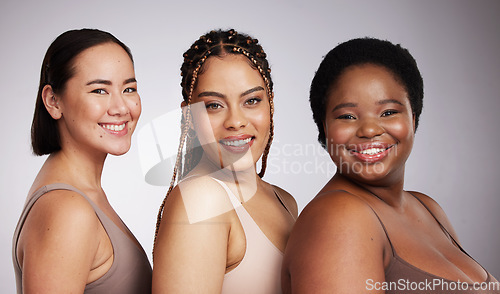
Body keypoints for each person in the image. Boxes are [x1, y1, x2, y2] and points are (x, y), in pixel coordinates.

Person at [282, 38, 500, 293]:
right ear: (325, 127)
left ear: (413, 118)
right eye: (347, 116)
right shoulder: (338, 217)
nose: (370, 130)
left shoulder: (428, 209)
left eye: (388, 112)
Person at [152, 29, 298, 293]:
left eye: (252, 101)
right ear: (190, 115)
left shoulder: (285, 201)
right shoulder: (201, 199)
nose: (236, 122)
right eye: (214, 105)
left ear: (270, 104)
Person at [12, 29, 152, 293]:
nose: (122, 107)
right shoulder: (68, 209)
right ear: (53, 101)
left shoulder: (83, 194)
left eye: (129, 88)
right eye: (100, 90)